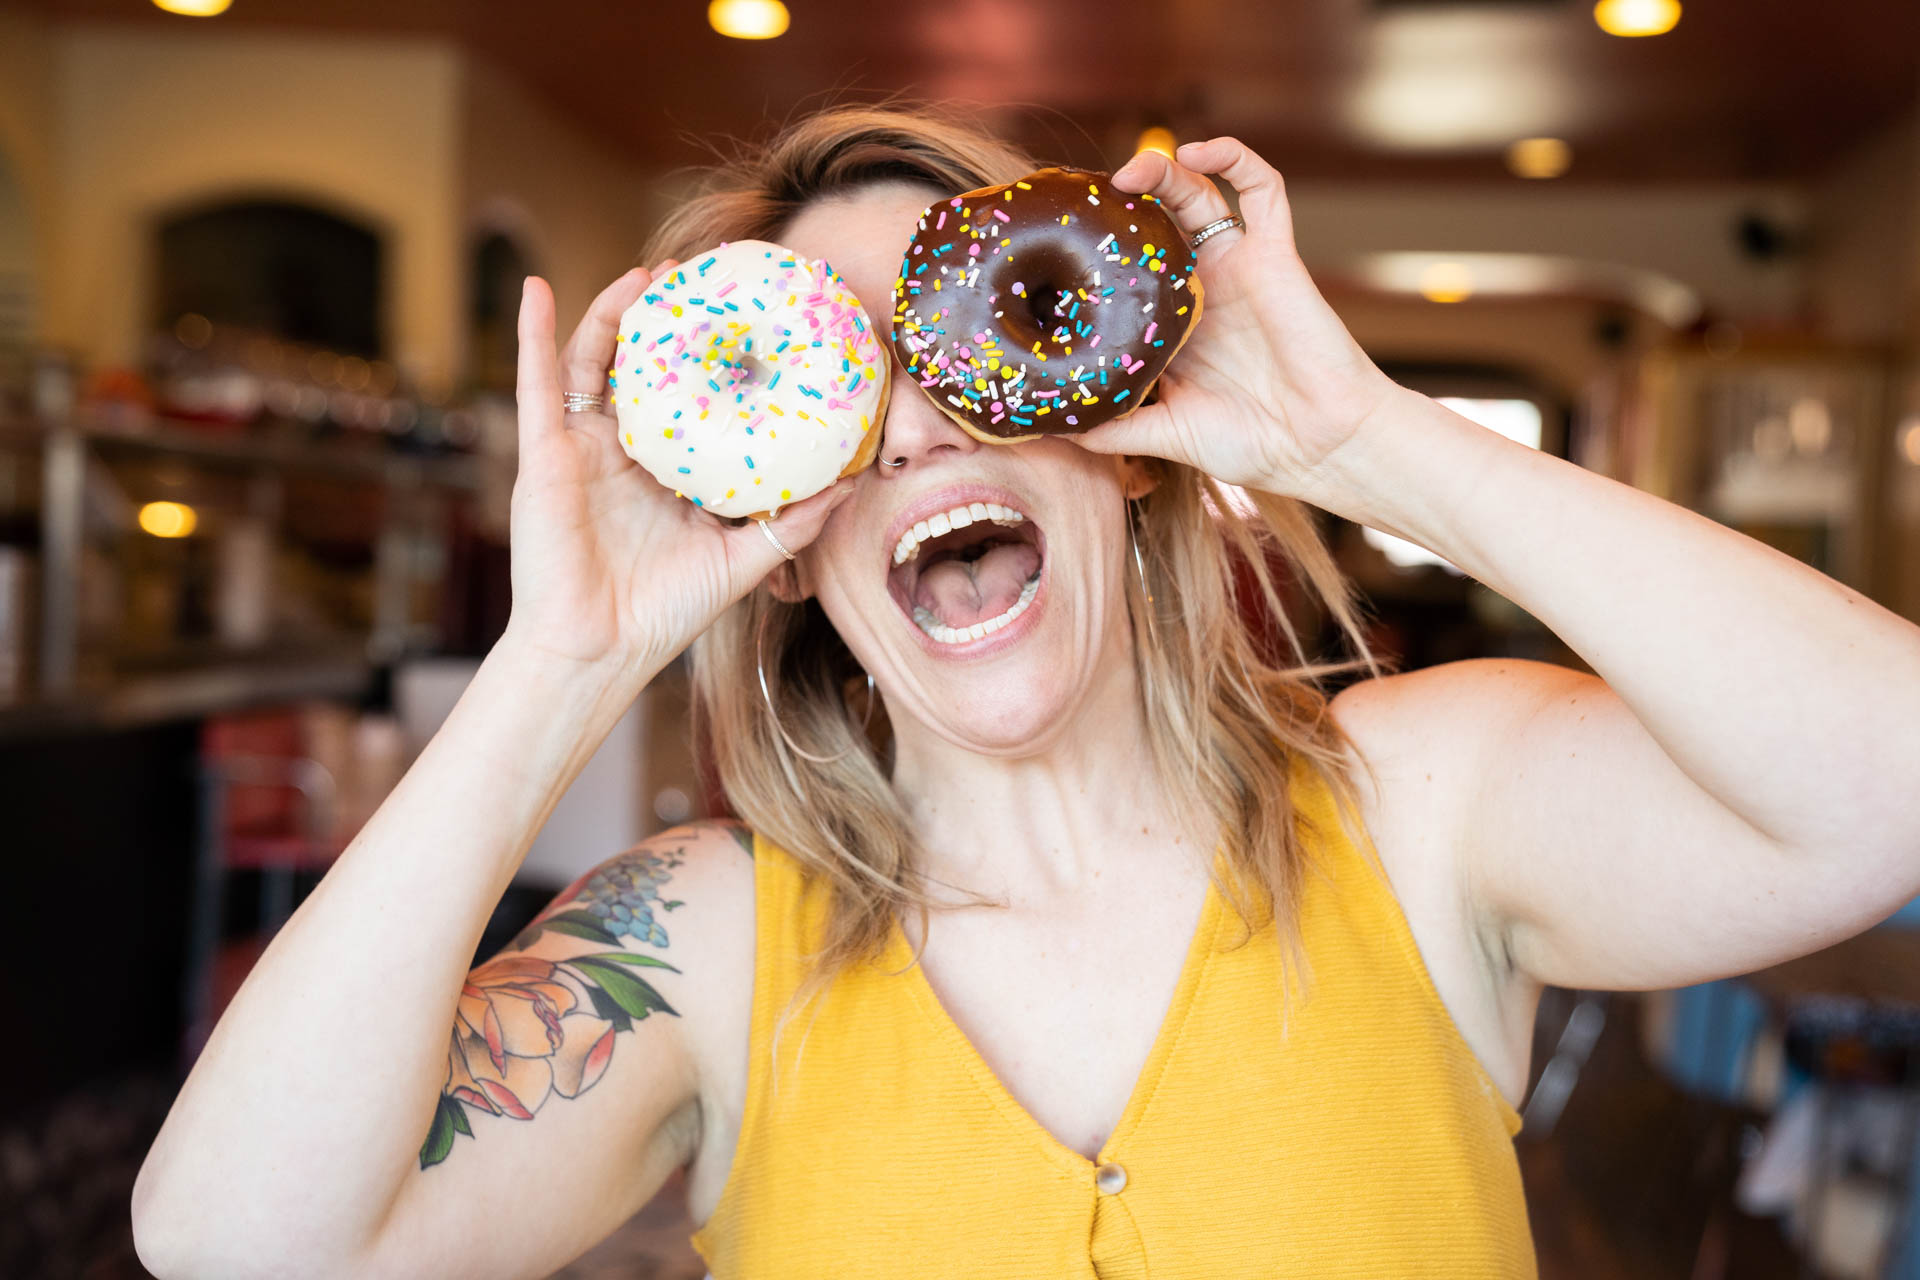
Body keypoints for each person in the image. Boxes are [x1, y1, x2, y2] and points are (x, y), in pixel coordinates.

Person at [131, 105, 1920, 1279]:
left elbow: (1888, 783)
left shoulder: (1420, 810)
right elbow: (234, 1249)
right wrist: (565, 663)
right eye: (825, 394)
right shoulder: (711, 946)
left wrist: (1363, 442)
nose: (912, 426)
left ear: (1115, 443)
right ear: (789, 542)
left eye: (975, 347)